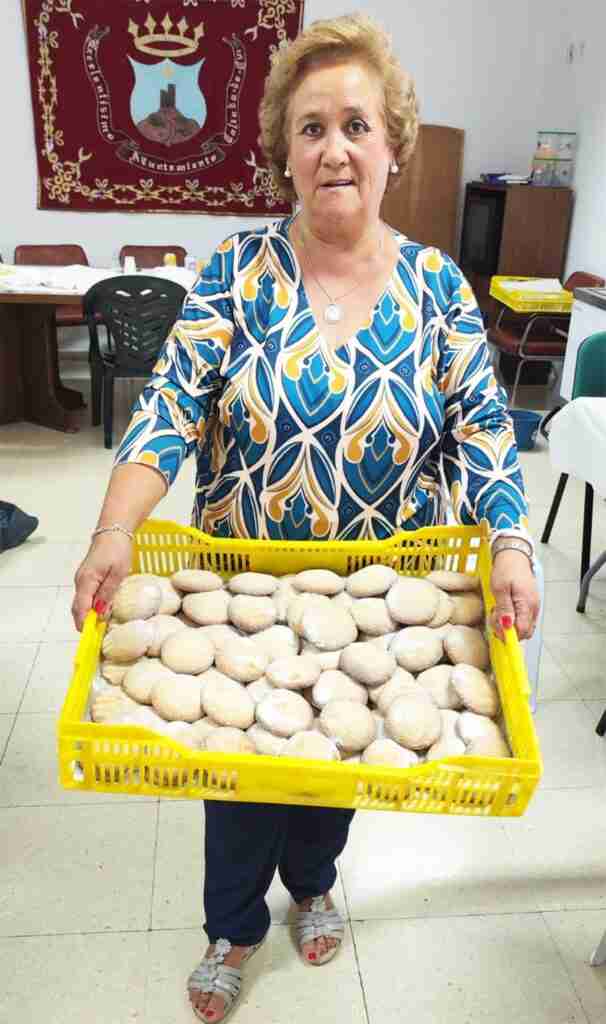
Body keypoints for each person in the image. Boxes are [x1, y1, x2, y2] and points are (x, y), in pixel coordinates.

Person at [72, 13, 540, 1022]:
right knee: (240, 769)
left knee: (341, 751)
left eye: (358, 125)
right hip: (239, 589)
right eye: (313, 126)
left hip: (379, 599)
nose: (336, 148)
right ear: (286, 152)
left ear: (392, 149)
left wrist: (509, 541)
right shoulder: (235, 276)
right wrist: (115, 529)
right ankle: (234, 923)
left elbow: (485, 432)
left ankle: (316, 881)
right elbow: (166, 414)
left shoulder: (439, 291)